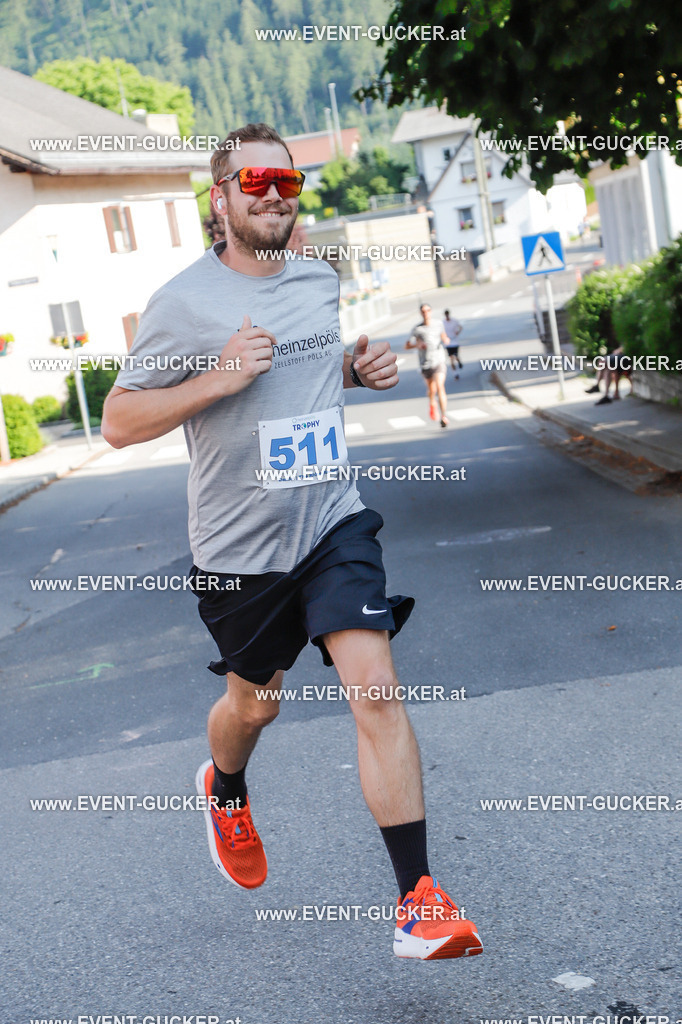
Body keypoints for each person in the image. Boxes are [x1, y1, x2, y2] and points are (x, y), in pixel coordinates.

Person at [101, 122, 482, 962]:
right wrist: (221, 375)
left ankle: (419, 898)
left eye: (287, 180)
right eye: (254, 181)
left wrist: (356, 371)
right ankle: (226, 787)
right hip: (240, 554)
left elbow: (303, 375)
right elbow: (119, 422)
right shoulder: (181, 303)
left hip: (331, 523)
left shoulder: (316, 279)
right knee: (255, 703)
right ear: (221, 198)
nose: (272, 192)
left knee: (374, 686)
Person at [405, 303, 450, 427]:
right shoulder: (417, 329)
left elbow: (444, 337)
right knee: (431, 390)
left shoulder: (439, 324)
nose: (426, 313)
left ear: (431, 311)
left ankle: (444, 416)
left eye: (428, 310)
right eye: (423, 311)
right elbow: (407, 345)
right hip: (425, 363)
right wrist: (417, 345)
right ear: (421, 313)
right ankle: (432, 402)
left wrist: (446, 340)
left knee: (440, 386)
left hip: (439, 360)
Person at [443, 309, 463, 378]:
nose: (447, 316)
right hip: (448, 343)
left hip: (455, 341)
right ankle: (455, 373)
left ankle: (459, 361)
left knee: (456, 356)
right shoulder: (443, 322)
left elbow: (460, 327)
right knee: (451, 358)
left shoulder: (454, 321)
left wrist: (458, 332)